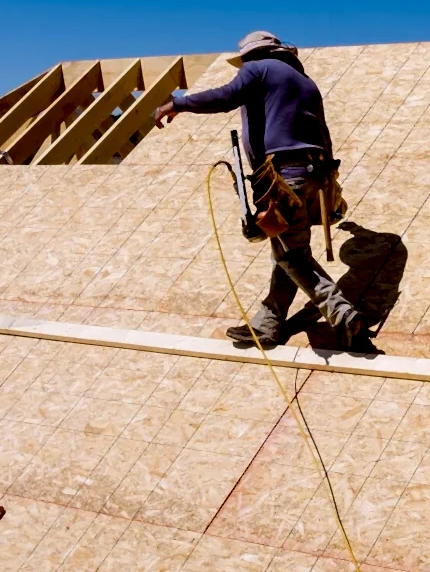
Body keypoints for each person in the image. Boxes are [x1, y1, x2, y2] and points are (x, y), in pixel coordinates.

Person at [154, 31, 372, 351]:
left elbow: (227, 96)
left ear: (251, 56)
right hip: (316, 174)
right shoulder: (303, 81)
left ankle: (343, 315)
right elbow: (323, 136)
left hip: (286, 176)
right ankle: (269, 321)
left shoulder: (258, 68)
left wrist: (179, 103)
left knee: (291, 254)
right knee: (284, 250)